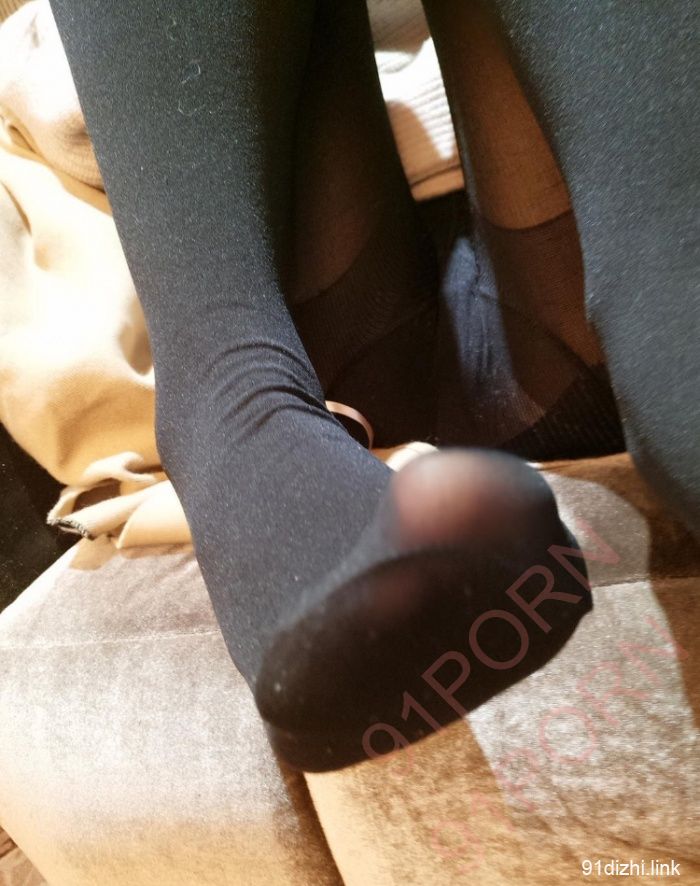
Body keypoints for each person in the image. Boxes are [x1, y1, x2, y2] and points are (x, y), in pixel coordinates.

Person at [48, 0, 698, 771]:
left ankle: (679, 318)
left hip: (555, 294)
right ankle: (237, 405)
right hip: (341, 365)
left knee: (668, 285)